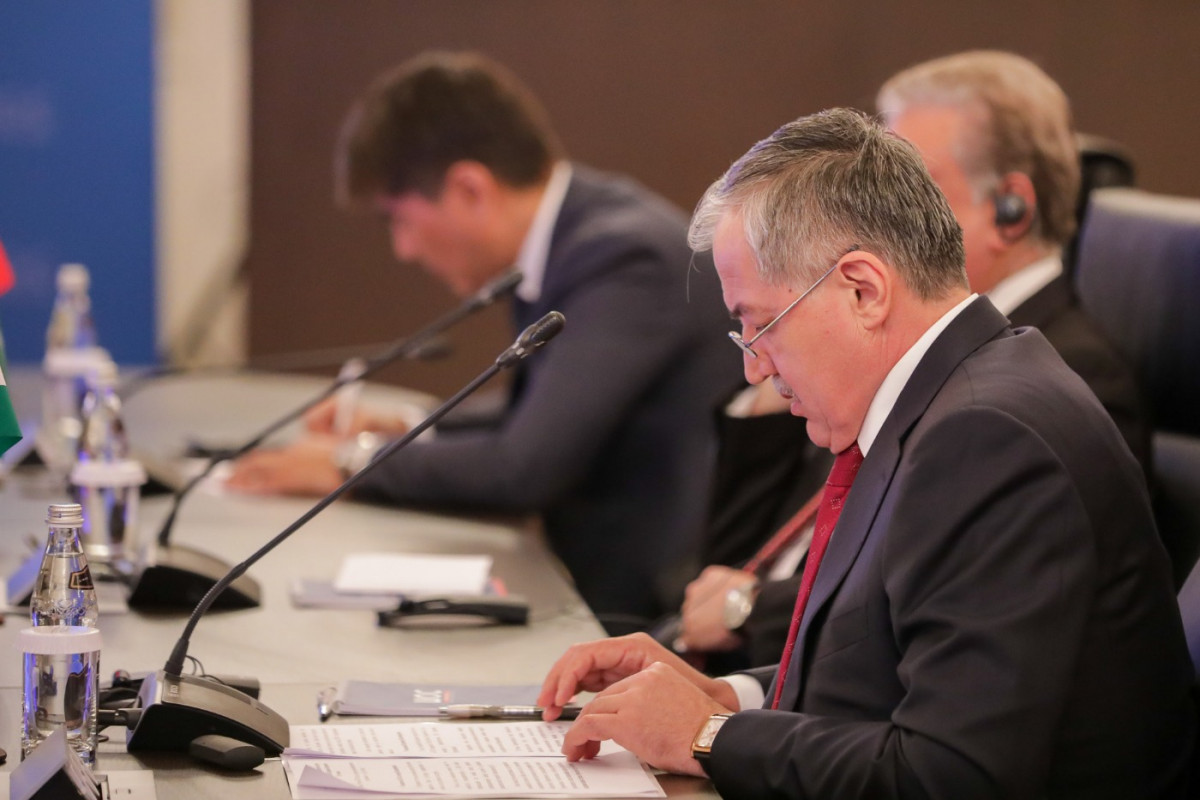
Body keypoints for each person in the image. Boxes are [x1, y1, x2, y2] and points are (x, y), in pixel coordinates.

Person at [537, 108, 1196, 797]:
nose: (755, 368)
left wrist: (707, 736)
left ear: (863, 290)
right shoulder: (943, 398)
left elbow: (950, 773)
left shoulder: (988, 437)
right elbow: (886, 667)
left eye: (760, 325)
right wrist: (725, 697)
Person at [672, 50, 1156, 666]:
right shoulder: (872, 351)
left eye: (913, 184)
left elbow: (914, 627)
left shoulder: (1042, 384)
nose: (883, 209)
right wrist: (776, 336)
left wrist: (746, 616)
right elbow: (739, 554)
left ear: (1011, 207)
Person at [227, 51, 741, 627]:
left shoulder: (624, 259)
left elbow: (525, 465)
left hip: (644, 613)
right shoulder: (583, 231)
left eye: (398, 219)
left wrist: (349, 463)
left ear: (469, 188)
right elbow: (538, 409)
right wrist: (404, 426)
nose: (403, 249)